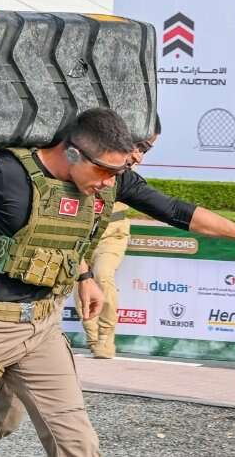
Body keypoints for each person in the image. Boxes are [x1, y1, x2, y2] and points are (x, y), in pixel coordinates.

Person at [0, 108, 235, 457]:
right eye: (106, 171)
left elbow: (172, 209)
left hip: (42, 329)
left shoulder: (106, 178)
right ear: (73, 153)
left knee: (77, 444)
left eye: (117, 173)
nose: (111, 182)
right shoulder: (3, 173)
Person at [75, 118, 161, 359]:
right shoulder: (90, 155)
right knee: (81, 280)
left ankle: (106, 336)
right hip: (81, 231)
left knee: (102, 275)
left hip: (113, 231)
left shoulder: (125, 170)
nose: (139, 156)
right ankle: (93, 338)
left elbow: (169, 208)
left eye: (145, 149)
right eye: (140, 146)